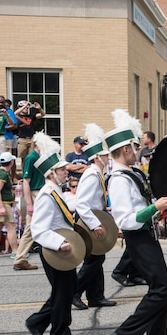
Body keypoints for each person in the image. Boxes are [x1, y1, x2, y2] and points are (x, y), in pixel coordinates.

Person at [105, 109, 167, 335]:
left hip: (146, 235)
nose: (137, 150)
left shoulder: (130, 173)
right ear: (126, 149)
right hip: (138, 239)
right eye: (135, 146)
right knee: (161, 290)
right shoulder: (118, 179)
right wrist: (153, 208)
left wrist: (155, 209)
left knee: (162, 290)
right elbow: (125, 220)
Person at [25, 134, 82, 335]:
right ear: (51, 173)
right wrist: (59, 243)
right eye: (61, 170)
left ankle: (37, 323)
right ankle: (59, 334)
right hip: (54, 249)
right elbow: (39, 229)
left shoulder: (56, 190)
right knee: (64, 291)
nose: (65, 172)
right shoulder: (48, 194)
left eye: (65, 169)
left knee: (65, 290)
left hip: (61, 247)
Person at [72, 124, 117, 311]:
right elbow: (82, 203)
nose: (108, 157)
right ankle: (74, 292)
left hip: (93, 217)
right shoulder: (92, 174)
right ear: (97, 157)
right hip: (87, 220)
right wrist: (94, 224)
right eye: (105, 155)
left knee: (98, 258)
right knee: (93, 260)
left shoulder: (97, 173)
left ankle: (96, 296)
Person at [13, 136, 46, 271]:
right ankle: (20, 258)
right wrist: (29, 203)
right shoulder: (31, 157)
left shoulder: (41, 157)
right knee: (31, 226)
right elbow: (26, 181)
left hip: (42, 192)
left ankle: (21, 258)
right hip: (35, 193)